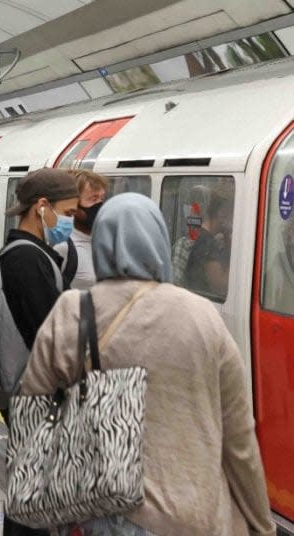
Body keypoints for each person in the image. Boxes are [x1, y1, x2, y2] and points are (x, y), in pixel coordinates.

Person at [20, 193, 275, 536]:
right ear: (158, 242)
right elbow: (239, 439)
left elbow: (33, 418)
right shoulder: (202, 315)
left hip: (102, 515)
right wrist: (261, 525)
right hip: (196, 516)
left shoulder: (73, 311)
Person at [0, 167, 78, 536]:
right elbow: (49, 334)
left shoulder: (27, 252)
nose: (70, 222)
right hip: (36, 396)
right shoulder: (26, 259)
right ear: (42, 206)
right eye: (69, 212)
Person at [53, 169, 108, 290]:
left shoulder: (105, 242)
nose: (100, 205)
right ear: (73, 205)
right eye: (93, 199)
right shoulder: (62, 246)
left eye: (101, 198)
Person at [185, 182, 233, 299]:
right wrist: (233, 252)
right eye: (232, 214)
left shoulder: (205, 238)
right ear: (222, 214)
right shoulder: (206, 243)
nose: (233, 220)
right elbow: (220, 285)